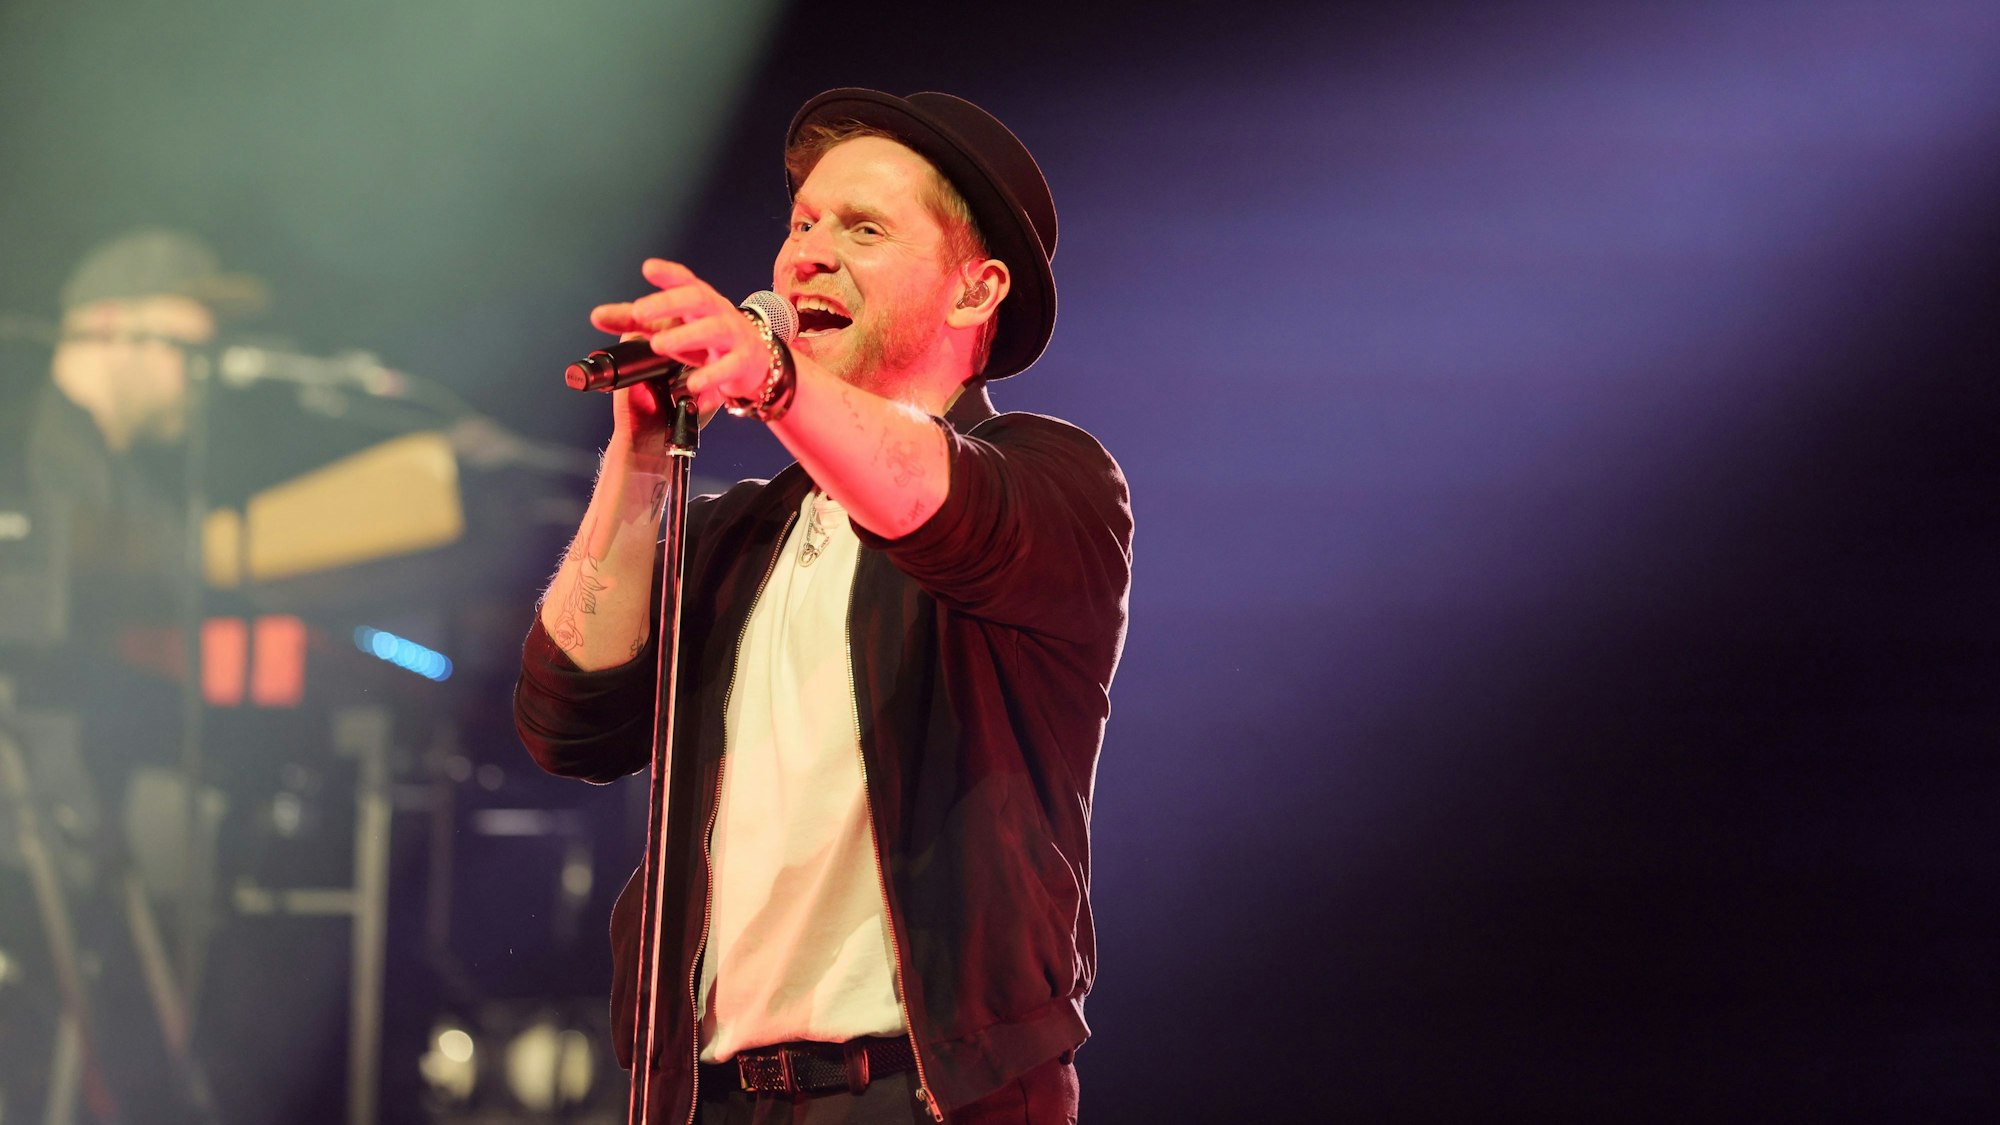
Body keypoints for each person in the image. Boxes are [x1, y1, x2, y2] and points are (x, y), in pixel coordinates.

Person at [513, 89, 1132, 1123]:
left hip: (924, 1090)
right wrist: (635, 461)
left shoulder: (1052, 480)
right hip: (709, 1095)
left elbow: (938, 506)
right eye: (801, 221)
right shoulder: (734, 535)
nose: (805, 253)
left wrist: (772, 380)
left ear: (974, 292)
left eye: (863, 228)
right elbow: (566, 720)